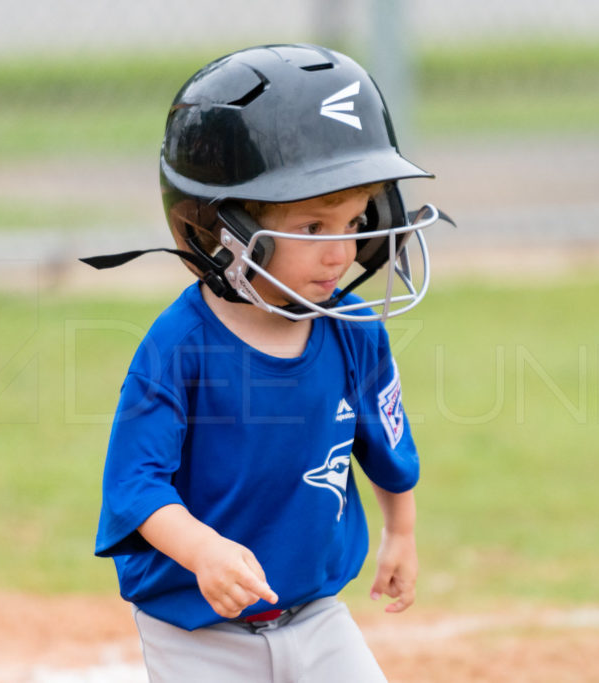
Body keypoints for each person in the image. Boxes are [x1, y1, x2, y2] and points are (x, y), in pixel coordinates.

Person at [87, 43, 452, 681]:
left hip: (316, 614)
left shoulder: (352, 330)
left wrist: (402, 532)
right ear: (222, 229)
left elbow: (389, 445)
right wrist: (203, 552)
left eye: (355, 220)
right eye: (312, 228)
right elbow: (134, 487)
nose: (341, 252)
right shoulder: (180, 347)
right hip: (196, 626)